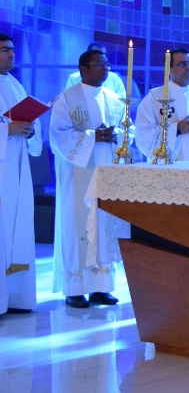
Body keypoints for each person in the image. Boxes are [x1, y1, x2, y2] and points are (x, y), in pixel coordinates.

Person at [49, 48, 134, 308]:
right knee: (77, 225)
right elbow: (58, 136)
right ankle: (75, 289)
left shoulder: (115, 99)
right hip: (78, 174)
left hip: (107, 171)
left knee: (104, 222)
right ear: (83, 69)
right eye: (99, 64)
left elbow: (129, 131)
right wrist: (92, 136)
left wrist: (117, 135)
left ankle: (101, 287)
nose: (105, 68)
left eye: (107, 64)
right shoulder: (67, 98)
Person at [0, 33, 42, 314]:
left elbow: (29, 127)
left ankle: (16, 297)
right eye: (5, 50)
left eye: (13, 50)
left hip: (16, 169)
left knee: (19, 226)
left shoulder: (15, 85)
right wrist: (6, 130)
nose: (12, 54)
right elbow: (8, 126)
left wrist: (28, 130)